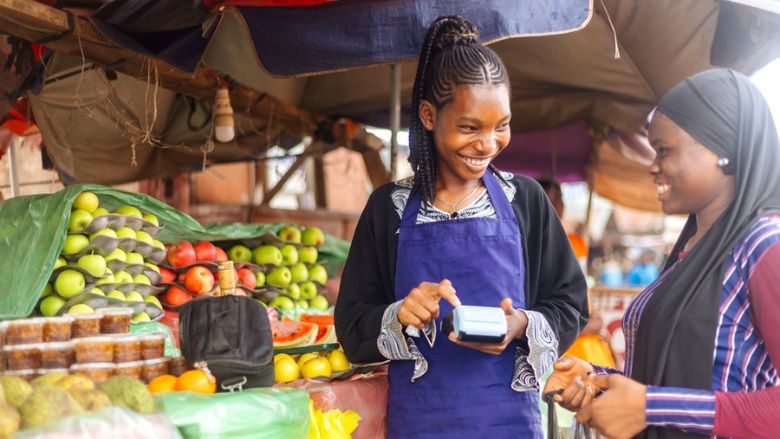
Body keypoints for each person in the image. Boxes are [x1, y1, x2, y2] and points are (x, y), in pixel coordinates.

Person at [334, 15, 588, 439]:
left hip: (509, 424)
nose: (488, 144)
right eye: (470, 127)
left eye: (501, 126)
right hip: (418, 423)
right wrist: (399, 314)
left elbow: (571, 306)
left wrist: (521, 325)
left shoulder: (525, 201)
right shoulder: (387, 209)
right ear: (430, 116)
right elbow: (352, 326)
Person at [543, 68, 780, 439]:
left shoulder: (765, 244)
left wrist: (649, 406)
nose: (652, 166)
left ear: (724, 149)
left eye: (664, 150)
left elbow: (661, 402)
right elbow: (679, 383)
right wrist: (599, 381)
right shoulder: (691, 250)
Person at [537, 177, 616, 369]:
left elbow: (581, 288)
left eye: (559, 201)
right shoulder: (533, 247)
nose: (556, 207)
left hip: (587, 335)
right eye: (548, 201)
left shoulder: (576, 243)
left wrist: (591, 315)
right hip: (564, 338)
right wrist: (579, 325)